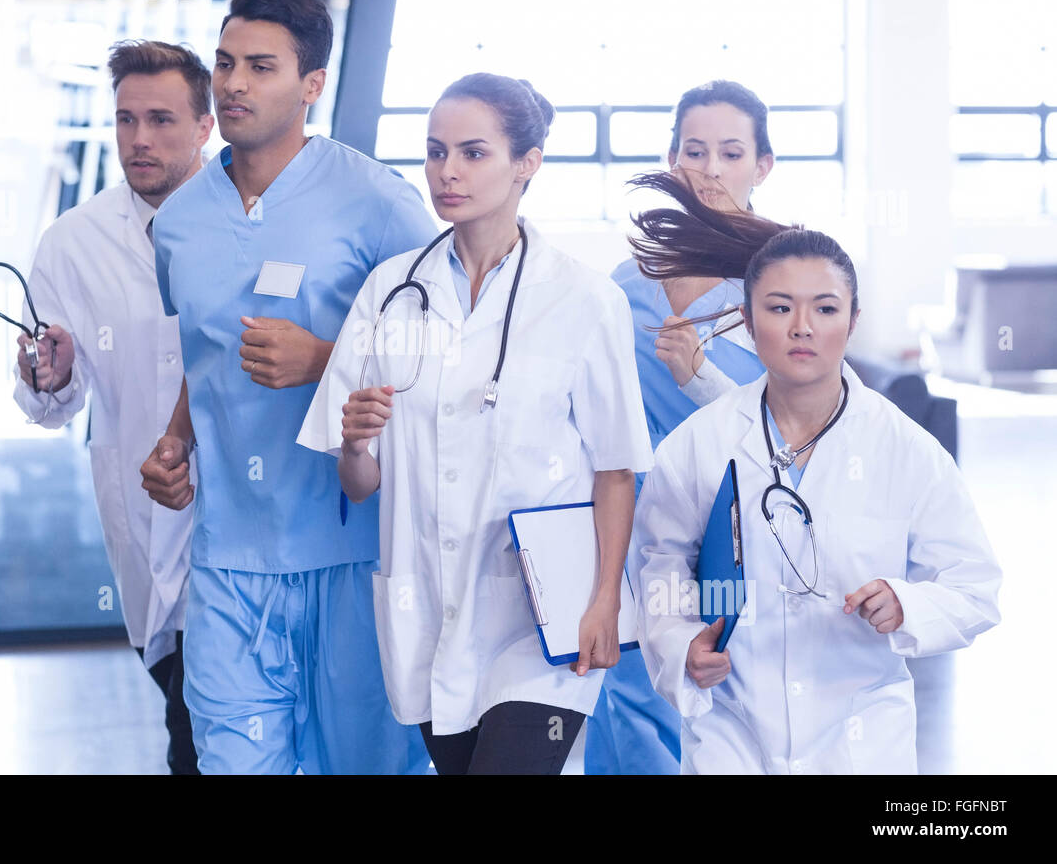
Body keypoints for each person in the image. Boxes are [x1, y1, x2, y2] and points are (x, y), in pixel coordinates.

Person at [298, 73, 655, 774]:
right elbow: (360, 483)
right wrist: (357, 438)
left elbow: (616, 467)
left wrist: (606, 599)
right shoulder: (391, 292)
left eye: (472, 153)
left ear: (528, 162)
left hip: (544, 612)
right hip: (427, 606)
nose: (447, 172)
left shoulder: (584, 298)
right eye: (435, 153)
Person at [140, 0, 435, 775]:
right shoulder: (179, 222)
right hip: (229, 558)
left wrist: (324, 360)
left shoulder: (382, 206)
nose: (233, 83)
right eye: (226, 63)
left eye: (260, 67)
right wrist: (175, 442)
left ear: (312, 85)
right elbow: (203, 353)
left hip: (354, 552)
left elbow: (445, 358)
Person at [633, 225, 1002, 774]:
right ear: (749, 320)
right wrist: (680, 642)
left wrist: (908, 604)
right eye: (779, 308)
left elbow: (975, 586)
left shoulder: (906, 450)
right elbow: (658, 564)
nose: (802, 327)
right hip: (732, 730)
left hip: (862, 739)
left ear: (852, 321)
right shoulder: (698, 444)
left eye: (825, 309)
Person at [11, 39, 215, 774]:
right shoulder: (73, 241)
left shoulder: (252, 223)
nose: (139, 139)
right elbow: (50, 404)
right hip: (145, 524)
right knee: (186, 712)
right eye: (126, 120)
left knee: (205, 731)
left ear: (205, 126)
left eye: (161, 120)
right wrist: (47, 373)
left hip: (246, 528)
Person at [586, 79, 782, 775]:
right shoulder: (623, 283)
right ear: (672, 162)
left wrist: (697, 373)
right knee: (631, 702)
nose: (710, 169)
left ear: (763, 165)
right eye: (694, 151)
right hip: (633, 531)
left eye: (731, 152)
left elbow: (793, 428)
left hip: (735, 535)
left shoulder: (783, 279)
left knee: (722, 695)